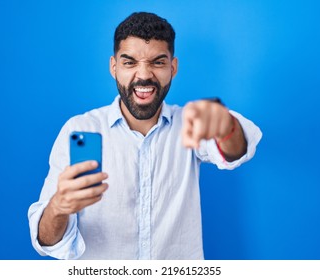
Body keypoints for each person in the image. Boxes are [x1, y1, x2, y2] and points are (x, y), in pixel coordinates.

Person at [28, 12, 262, 260]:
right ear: (114, 67)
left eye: (158, 62)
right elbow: (46, 242)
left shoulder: (190, 123)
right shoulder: (80, 128)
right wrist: (58, 208)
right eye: (129, 62)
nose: (143, 75)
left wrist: (227, 126)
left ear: (173, 68)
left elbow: (236, 151)